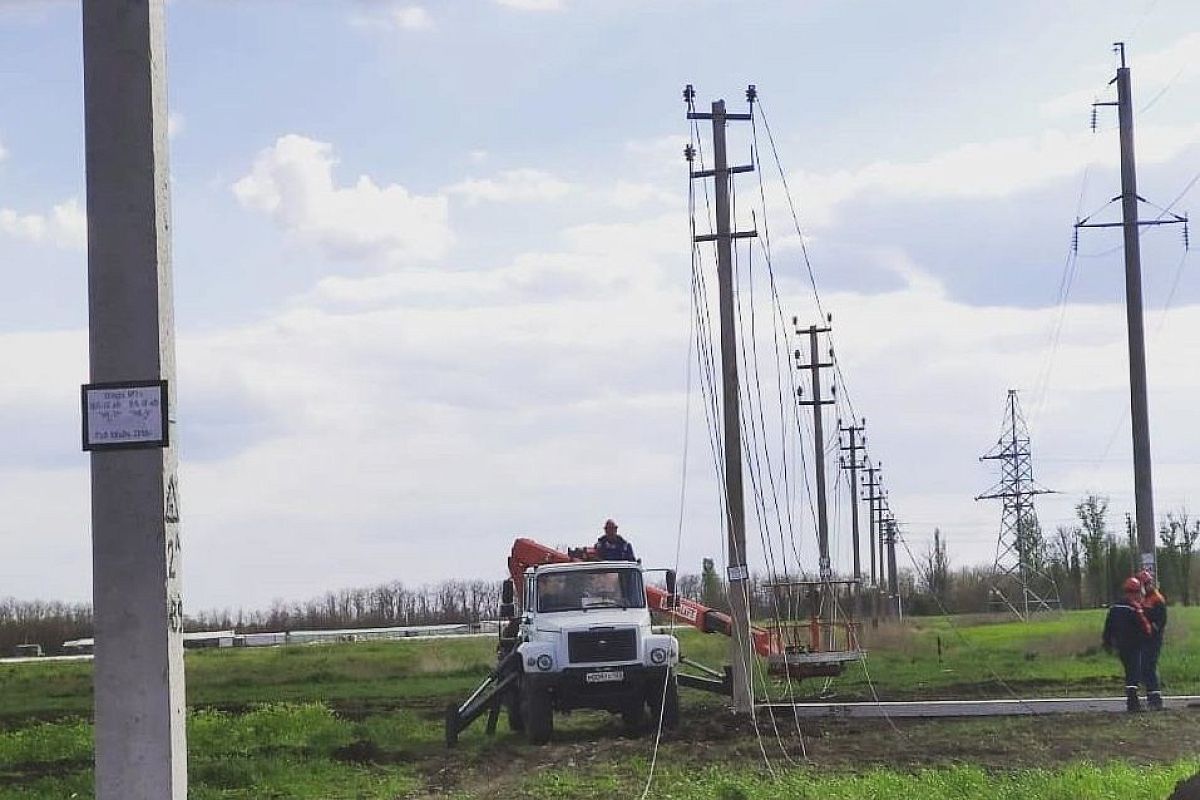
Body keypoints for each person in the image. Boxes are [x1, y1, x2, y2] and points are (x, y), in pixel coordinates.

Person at [1102, 576, 1154, 712]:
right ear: (1135, 592)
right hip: (1135, 645)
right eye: (1138, 593)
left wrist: (1107, 643)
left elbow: (1108, 626)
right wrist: (1149, 637)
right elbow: (1145, 627)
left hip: (1120, 645)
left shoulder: (1115, 607)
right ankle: (1133, 703)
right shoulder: (1134, 608)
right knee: (1134, 672)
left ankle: (1131, 701)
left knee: (1129, 671)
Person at [1135, 568, 1167, 710]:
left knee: (1149, 667)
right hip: (1144, 639)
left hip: (1153, 639)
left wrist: (1150, 631)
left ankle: (1155, 699)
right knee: (1144, 668)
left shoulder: (1157, 600)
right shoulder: (1145, 599)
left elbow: (1160, 621)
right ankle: (1151, 697)